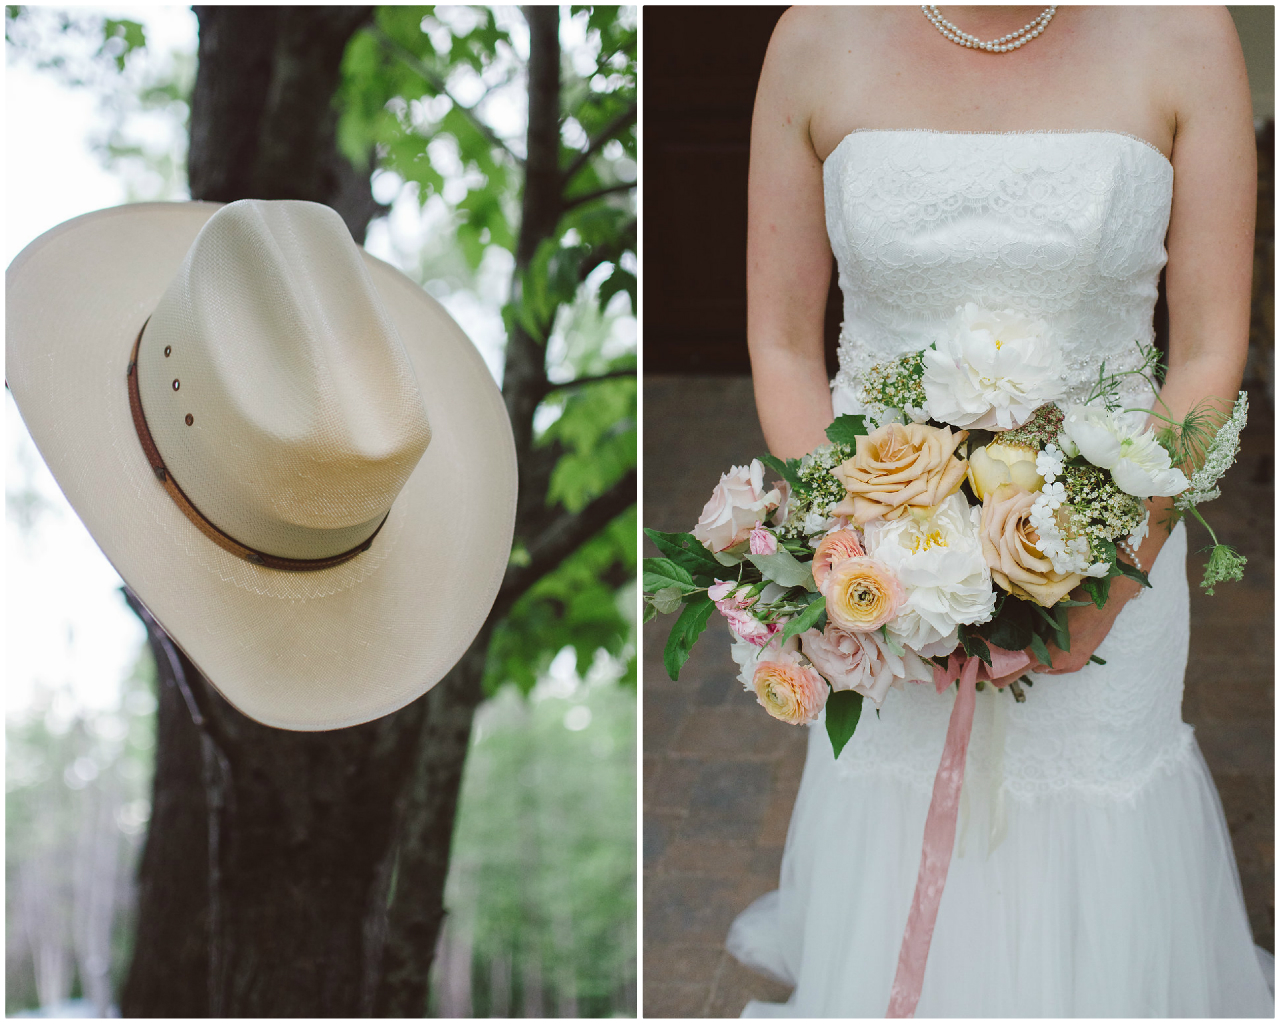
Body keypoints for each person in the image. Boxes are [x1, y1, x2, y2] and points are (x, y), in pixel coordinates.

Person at [726, 5, 1273, 1016]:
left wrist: (1115, 565)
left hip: (1114, 555)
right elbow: (784, 343)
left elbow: (1203, 349)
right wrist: (856, 552)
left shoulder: (1187, 33)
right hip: (888, 563)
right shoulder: (812, 40)